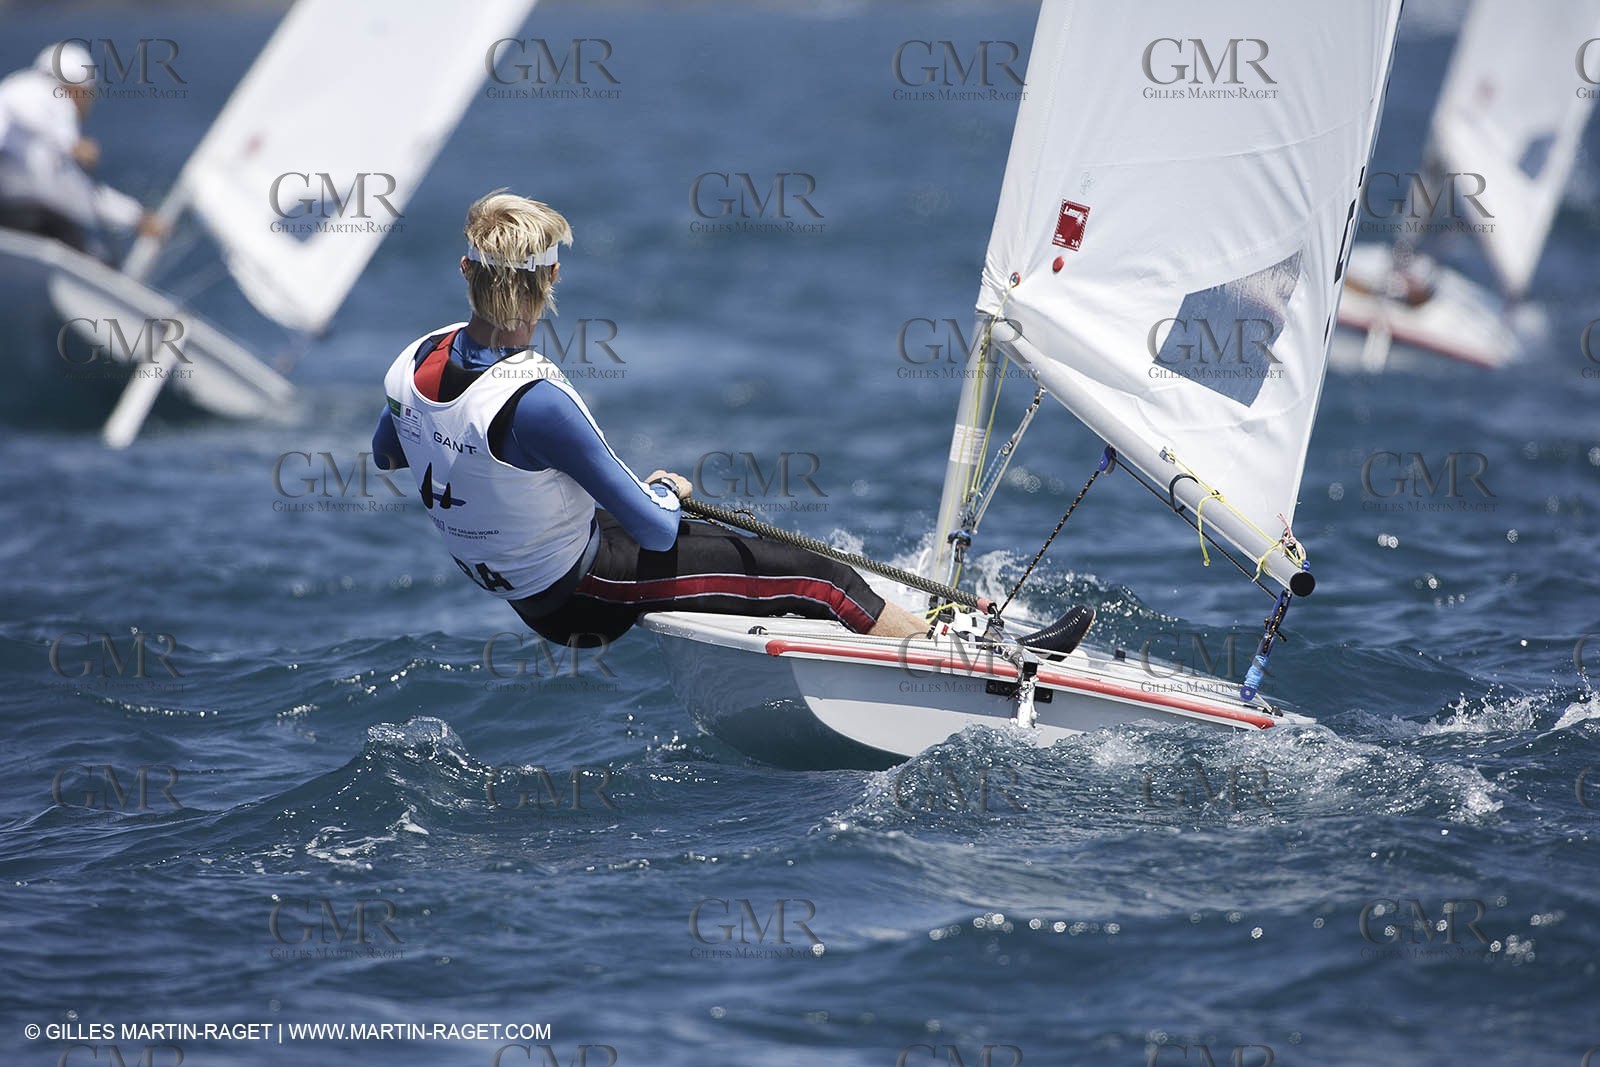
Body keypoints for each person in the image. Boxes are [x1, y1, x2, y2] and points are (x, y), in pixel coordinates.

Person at [373, 190, 931, 647]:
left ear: (466, 269)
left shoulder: (415, 359)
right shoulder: (536, 400)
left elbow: (388, 454)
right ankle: (943, 657)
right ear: (553, 276)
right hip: (581, 597)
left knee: (737, 546)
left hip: (525, 585)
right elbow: (656, 530)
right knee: (822, 577)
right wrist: (666, 492)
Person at [0, 42, 161, 260]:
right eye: (89, 93)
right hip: (23, 218)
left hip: (19, 217)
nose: (89, 102)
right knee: (89, 254)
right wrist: (70, 143)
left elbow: (80, 192)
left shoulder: (46, 139)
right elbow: (22, 107)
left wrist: (136, 217)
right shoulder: (37, 92)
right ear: (77, 88)